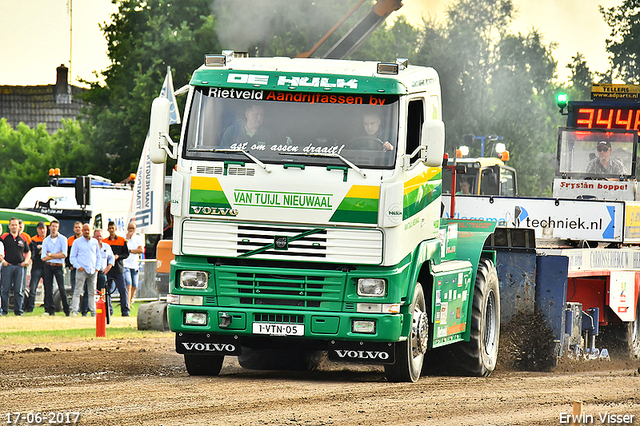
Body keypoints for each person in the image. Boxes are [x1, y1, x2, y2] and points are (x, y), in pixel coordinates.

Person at [0, 218, 31, 315]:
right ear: (9, 226)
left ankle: (19, 311)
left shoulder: (23, 238)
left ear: (19, 226)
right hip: (7, 266)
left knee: (19, 290)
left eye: (16, 225)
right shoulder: (4, 237)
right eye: (12, 225)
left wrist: (26, 261)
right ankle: (4, 311)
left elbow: (28, 251)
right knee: (5, 290)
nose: (14, 227)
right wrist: (3, 261)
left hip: (19, 267)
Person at [69, 223, 100, 317]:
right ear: (82, 230)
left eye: (88, 230)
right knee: (77, 291)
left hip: (92, 270)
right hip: (81, 270)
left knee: (91, 292)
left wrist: (97, 267)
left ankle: (93, 312)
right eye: (85, 230)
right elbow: (72, 257)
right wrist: (78, 266)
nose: (86, 232)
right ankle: (74, 311)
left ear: (91, 231)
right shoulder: (77, 242)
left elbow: (98, 256)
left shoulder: (94, 242)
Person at [41, 220, 70, 316]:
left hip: (59, 266)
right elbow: (43, 257)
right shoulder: (46, 240)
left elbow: (64, 254)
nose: (54, 228)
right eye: (52, 226)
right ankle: (50, 310)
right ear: (49, 227)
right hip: (48, 266)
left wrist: (51, 254)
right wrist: (56, 255)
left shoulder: (63, 239)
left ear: (58, 228)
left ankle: (66, 310)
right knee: (48, 288)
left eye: (56, 226)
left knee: (62, 288)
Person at [102, 221, 130, 316]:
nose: (111, 230)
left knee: (122, 290)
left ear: (115, 229)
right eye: (109, 228)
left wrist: (119, 256)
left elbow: (126, 254)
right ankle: (109, 310)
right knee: (107, 291)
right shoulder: (105, 241)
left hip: (119, 269)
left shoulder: (122, 240)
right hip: (108, 269)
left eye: (112, 228)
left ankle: (125, 311)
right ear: (107, 229)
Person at [23, 222, 46, 313]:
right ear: (37, 230)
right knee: (33, 288)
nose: (42, 230)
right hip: (36, 267)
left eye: (43, 228)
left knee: (48, 288)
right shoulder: (33, 240)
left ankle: (47, 306)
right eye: (40, 229)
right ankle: (30, 307)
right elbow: (33, 252)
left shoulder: (48, 239)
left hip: (47, 267)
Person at [66, 221, 88, 315]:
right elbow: (67, 254)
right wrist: (69, 265)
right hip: (75, 269)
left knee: (87, 290)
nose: (77, 229)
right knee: (76, 289)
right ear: (73, 229)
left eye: (79, 227)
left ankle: (85, 310)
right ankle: (76, 309)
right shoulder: (70, 240)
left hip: (86, 269)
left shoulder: (87, 240)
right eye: (76, 227)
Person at [94, 229, 115, 315]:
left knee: (104, 293)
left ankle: (108, 311)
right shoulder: (91, 246)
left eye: (100, 236)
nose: (99, 238)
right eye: (97, 236)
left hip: (102, 273)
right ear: (94, 237)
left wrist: (109, 267)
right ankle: (92, 311)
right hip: (92, 273)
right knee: (92, 293)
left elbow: (112, 258)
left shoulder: (106, 246)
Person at [123, 222, 143, 305]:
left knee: (134, 285)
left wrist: (130, 251)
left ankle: (129, 301)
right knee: (129, 283)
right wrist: (128, 239)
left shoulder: (137, 238)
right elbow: (123, 249)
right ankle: (127, 304)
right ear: (127, 229)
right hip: (125, 264)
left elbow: (141, 250)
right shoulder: (124, 237)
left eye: (133, 228)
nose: (131, 230)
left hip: (134, 265)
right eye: (130, 228)